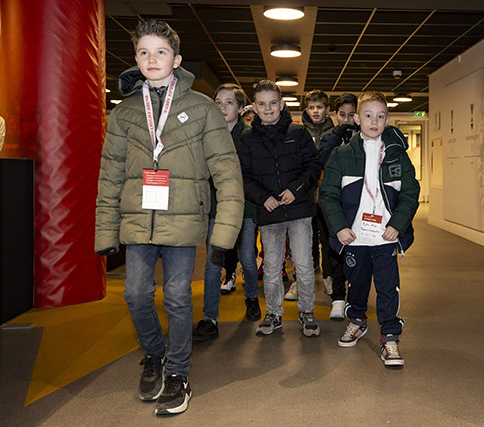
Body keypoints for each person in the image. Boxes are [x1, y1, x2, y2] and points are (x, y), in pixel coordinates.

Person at [95, 20, 244, 415]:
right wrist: (105, 230)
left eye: (160, 51)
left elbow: (227, 170)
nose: (152, 59)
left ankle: (178, 372)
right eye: (144, 52)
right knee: (135, 294)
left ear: (176, 59)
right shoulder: (124, 113)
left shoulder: (202, 108)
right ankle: (155, 354)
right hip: (138, 219)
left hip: (183, 219)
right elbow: (110, 174)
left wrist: (225, 230)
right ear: (136, 58)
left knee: (178, 296)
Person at [318, 91, 419, 366]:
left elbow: (410, 193)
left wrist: (397, 224)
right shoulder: (341, 155)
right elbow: (328, 195)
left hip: (386, 236)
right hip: (355, 237)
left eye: (380, 116)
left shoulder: (398, 156)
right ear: (357, 119)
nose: (374, 121)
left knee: (388, 288)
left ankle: (389, 337)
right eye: (368, 115)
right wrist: (340, 228)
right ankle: (357, 321)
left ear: (387, 119)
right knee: (357, 285)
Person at [236, 80, 322, 337]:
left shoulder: (299, 133)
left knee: (304, 265)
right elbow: (243, 176)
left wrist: (295, 190)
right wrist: (263, 198)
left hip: (300, 210)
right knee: (272, 267)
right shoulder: (247, 139)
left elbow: (313, 166)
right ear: (254, 107)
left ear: (282, 104)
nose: (268, 108)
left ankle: (307, 311)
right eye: (262, 104)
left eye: (273, 103)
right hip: (269, 212)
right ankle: (273, 313)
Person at [193, 83, 261, 342]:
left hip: (245, 207)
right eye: (218, 102)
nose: (222, 107)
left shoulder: (250, 137)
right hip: (216, 207)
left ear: (241, 108)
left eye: (229, 102)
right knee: (212, 264)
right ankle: (210, 318)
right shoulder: (207, 135)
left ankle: (251, 297)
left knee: (247, 258)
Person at [284, 89, 335, 300]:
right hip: (304, 194)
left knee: (328, 239)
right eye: (311, 107)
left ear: (327, 109)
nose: (315, 111)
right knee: (302, 241)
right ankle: (299, 281)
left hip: (327, 193)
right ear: (306, 109)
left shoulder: (334, 133)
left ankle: (329, 278)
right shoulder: (298, 131)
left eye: (319, 107)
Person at [317, 93, 358, 320]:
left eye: (351, 115)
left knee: (358, 250)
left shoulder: (364, 139)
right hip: (332, 203)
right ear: (335, 115)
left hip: (357, 203)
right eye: (342, 115)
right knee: (335, 249)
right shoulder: (328, 137)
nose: (347, 119)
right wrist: (337, 135)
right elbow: (321, 161)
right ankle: (339, 297)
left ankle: (356, 295)